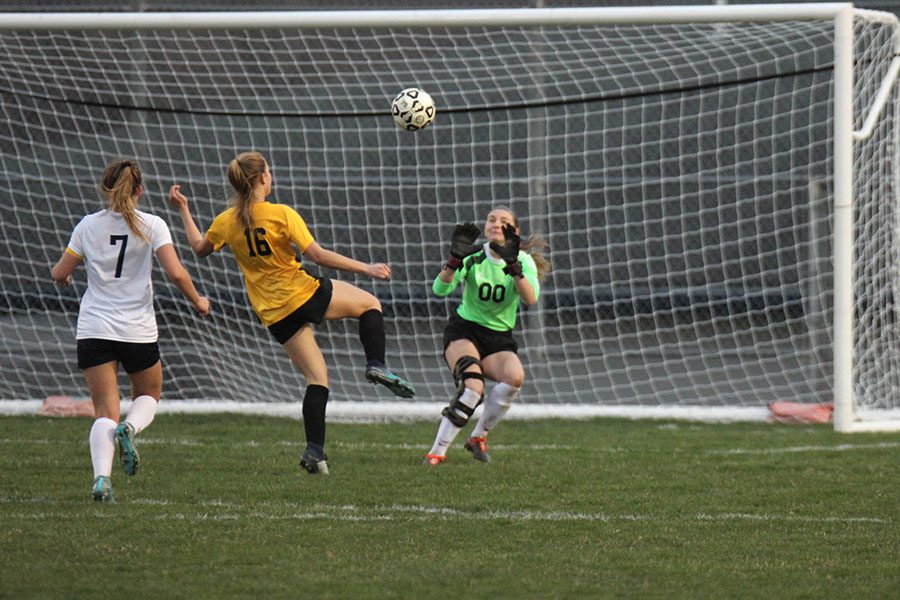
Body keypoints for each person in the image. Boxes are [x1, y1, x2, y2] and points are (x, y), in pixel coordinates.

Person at [168, 150, 414, 476]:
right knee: (370, 305)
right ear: (263, 179)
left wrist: (184, 209)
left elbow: (199, 250)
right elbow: (318, 256)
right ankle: (376, 365)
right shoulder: (281, 214)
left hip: (273, 313)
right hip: (303, 293)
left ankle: (315, 451)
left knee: (317, 379)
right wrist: (366, 268)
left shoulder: (226, 221)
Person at [51, 159, 211, 503]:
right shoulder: (151, 224)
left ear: (105, 188)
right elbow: (177, 273)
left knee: (104, 411)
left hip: (94, 328)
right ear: (139, 190)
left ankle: (101, 481)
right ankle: (131, 428)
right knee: (148, 396)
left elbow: (60, 271)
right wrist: (198, 300)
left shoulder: (87, 225)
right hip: (137, 329)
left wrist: (63, 276)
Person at [423, 206, 550, 466]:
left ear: (514, 232)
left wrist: (513, 265)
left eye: (503, 221)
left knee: (514, 378)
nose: (495, 223)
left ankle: (477, 437)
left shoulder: (522, 261)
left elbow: (530, 297)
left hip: (498, 338)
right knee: (473, 386)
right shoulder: (473, 256)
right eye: (491, 219)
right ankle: (436, 452)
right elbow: (439, 289)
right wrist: (453, 261)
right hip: (464, 330)